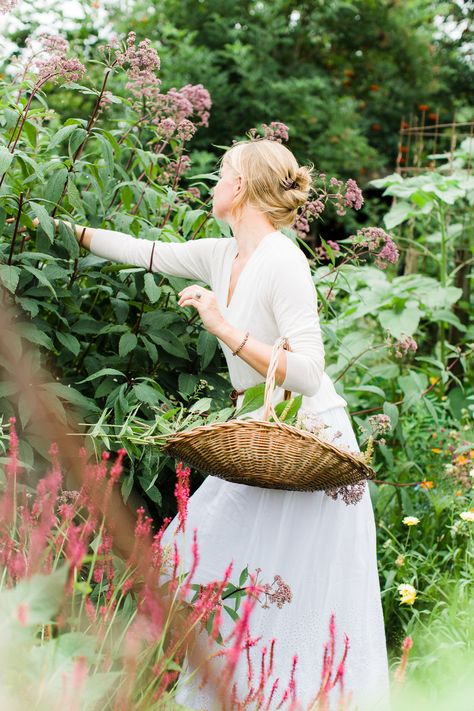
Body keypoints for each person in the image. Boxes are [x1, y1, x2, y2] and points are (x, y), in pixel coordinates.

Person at [48, 138, 391, 710]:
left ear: (243, 188)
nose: (214, 182)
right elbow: (146, 251)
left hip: (307, 445)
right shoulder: (220, 254)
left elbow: (308, 373)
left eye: (223, 172)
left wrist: (223, 326)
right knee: (199, 554)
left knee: (296, 588)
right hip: (258, 436)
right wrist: (57, 227)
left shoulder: (284, 262)